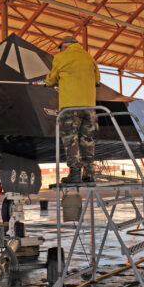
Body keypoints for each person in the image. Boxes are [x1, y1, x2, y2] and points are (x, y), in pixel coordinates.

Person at [46, 36, 100, 183]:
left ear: (64, 46)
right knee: (87, 140)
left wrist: (47, 82)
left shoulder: (61, 57)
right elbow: (97, 80)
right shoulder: (89, 58)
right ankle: (89, 174)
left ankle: (75, 173)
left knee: (71, 139)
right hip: (90, 108)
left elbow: (51, 79)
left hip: (70, 107)